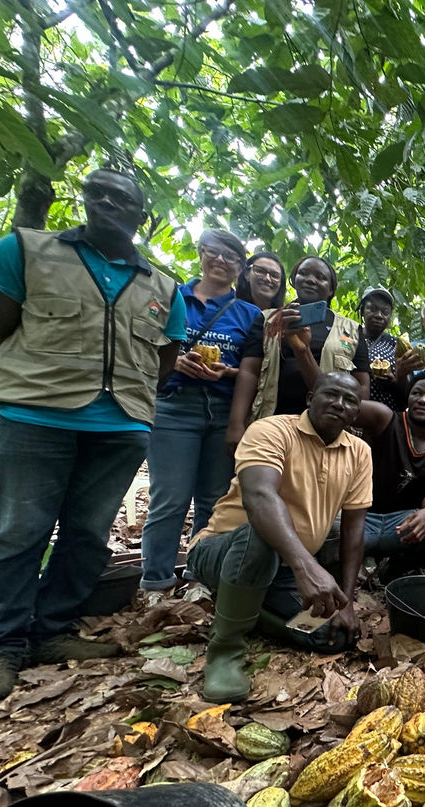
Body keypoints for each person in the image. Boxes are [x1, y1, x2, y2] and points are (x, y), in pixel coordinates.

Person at [0, 166, 186, 700]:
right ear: (84, 201)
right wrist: (25, 387)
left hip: (118, 426)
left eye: (122, 199)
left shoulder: (162, 287)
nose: (108, 204)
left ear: (142, 216)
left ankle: (52, 630)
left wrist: (132, 409)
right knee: (20, 530)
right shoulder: (25, 251)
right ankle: (0, 646)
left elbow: (164, 359)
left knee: (89, 534)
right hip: (36, 418)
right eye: (98, 194)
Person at [186, 371, 371, 703]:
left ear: (357, 412)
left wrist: (347, 601)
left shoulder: (359, 452)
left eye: (350, 401)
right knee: (261, 537)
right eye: (330, 394)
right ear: (309, 397)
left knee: (331, 634)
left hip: (284, 568)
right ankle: (226, 648)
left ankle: (247, 609)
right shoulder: (271, 430)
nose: (339, 404)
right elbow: (259, 499)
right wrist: (306, 567)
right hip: (223, 550)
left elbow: (353, 532)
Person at [140, 229, 264, 594]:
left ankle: (199, 575)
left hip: (223, 407)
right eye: (215, 252)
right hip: (175, 406)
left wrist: (228, 376)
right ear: (201, 253)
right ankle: (156, 581)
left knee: (213, 500)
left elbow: (252, 369)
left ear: (240, 268)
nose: (222, 261)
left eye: (231, 257)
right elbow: (144, 346)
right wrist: (176, 362)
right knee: (169, 497)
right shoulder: (171, 297)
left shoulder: (249, 313)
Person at [355, 374, 425, 581]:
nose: (423, 400)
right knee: (325, 524)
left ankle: (393, 569)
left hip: (400, 526)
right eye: (417, 393)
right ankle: (349, 563)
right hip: (359, 519)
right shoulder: (385, 418)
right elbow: (340, 404)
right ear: (408, 399)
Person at [250, 255, 370, 418]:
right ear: (294, 279)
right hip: (271, 419)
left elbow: (363, 386)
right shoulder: (267, 319)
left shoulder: (351, 329)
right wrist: (236, 423)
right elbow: (250, 371)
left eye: (321, 277)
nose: (310, 280)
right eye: (304, 273)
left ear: (330, 289)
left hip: (326, 425)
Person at [228, 251, 286, 447]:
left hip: (263, 410)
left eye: (274, 275)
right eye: (260, 271)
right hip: (224, 401)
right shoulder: (230, 309)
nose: (267, 278)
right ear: (246, 274)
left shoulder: (283, 319)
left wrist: (232, 372)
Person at [358, 287, 403, 409]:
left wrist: (393, 382)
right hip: (350, 408)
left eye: (385, 312)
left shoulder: (396, 344)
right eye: (372, 309)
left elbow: (405, 388)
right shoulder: (350, 336)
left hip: (385, 413)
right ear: (362, 311)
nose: (379, 315)